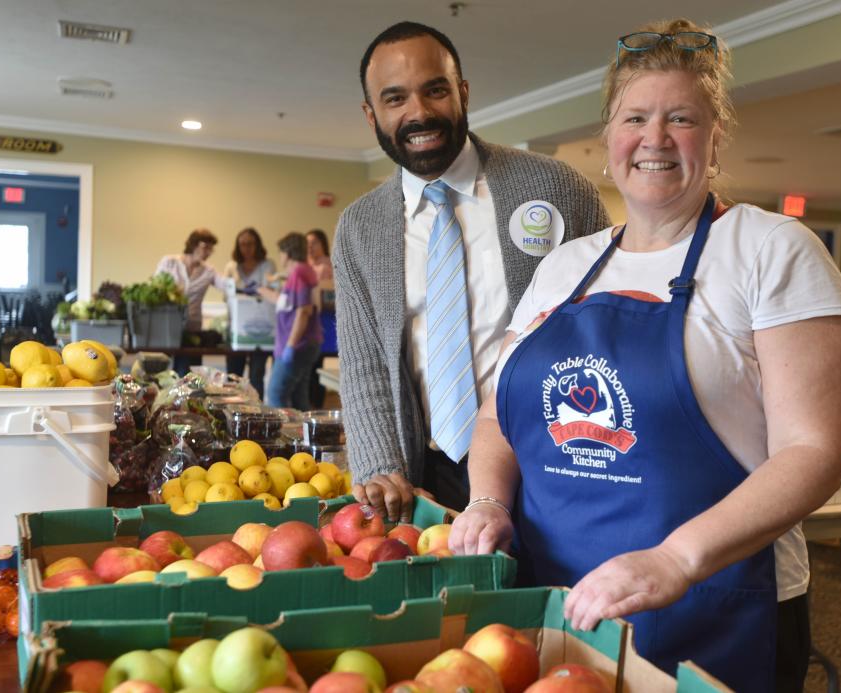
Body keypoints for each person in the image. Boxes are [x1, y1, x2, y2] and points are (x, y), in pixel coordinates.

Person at [448, 18, 841, 693]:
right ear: (609, 136)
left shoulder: (771, 251)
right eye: (635, 117)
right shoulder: (563, 269)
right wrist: (489, 499)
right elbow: (499, 416)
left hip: (713, 610)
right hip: (557, 602)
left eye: (681, 118)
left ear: (716, 135)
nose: (655, 138)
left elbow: (813, 452)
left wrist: (677, 557)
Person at [334, 21, 610, 520]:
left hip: (548, 466)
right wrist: (380, 467)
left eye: (435, 90)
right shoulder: (358, 227)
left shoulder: (557, 190)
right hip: (422, 482)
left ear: (462, 92)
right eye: (395, 99)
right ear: (370, 113)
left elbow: (604, 330)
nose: (419, 113)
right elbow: (364, 364)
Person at [260, 232, 321, 410]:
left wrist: (290, 345)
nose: (280, 257)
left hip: (298, 345)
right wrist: (263, 291)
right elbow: (289, 304)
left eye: (281, 252)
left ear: (287, 253)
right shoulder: (305, 271)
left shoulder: (299, 274)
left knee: (275, 393)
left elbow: (303, 311)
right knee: (299, 398)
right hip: (307, 343)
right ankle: (305, 437)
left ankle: (281, 436)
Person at [155, 228, 228, 375]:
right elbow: (155, 288)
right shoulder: (169, 262)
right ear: (193, 244)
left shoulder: (209, 271)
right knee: (159, 375)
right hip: (166, 328)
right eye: (205, 247)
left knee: (187, 376)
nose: (208, 252)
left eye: (211, 249)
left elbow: (227, 285)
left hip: (192, 329)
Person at [224, 227, 276, 399]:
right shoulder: (232, 266)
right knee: (233, 374)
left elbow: (271, 292)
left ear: (258, 245)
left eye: (250, 244)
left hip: (261, 328)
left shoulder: (268, 265)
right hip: (236, 327)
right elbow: (226, 294)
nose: (246, 248)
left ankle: (256, 413)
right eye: (242, 244)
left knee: (257, 374)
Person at [305, 229, 336, 408]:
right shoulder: (304, 266)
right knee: (307, 368)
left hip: (323, 322)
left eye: (314, 242)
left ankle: (316, 406)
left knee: (316, 365)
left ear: (323, 244)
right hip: (306, 322)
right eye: (307, 243)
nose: (310, 247)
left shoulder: (328, 266)